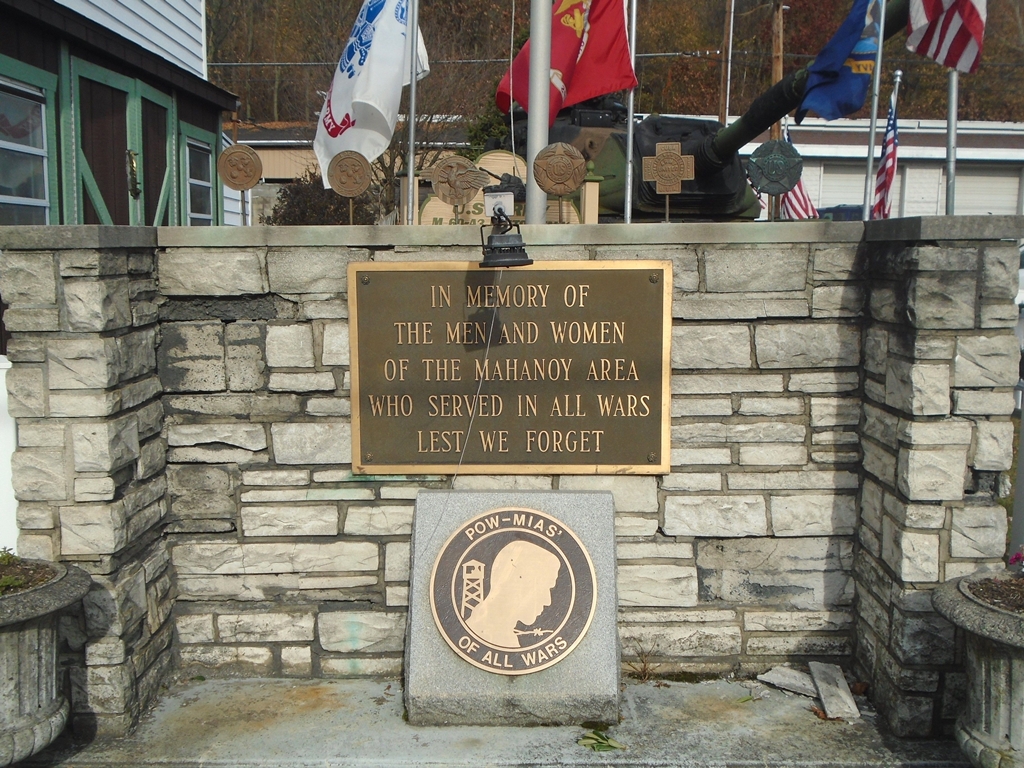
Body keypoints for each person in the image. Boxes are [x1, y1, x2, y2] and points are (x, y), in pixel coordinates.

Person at [465, 540, 561, 648]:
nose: (548, 601)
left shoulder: (507, 639)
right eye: (544, 589)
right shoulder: (480, 632)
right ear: (520, 584)